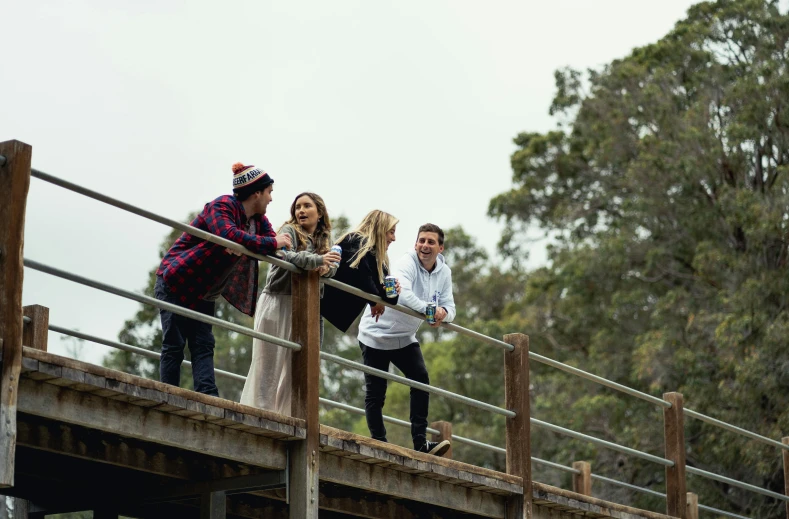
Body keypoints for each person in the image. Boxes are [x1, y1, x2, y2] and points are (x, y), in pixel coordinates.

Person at [155, 162, 292, 396]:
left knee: (204, 344)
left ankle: (208, 396)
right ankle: (167, 395)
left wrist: (277, 246)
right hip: (177, 282)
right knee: (174, 344)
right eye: (269, 192)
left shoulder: (257, 221)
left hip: (205, 290)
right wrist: (268, 243)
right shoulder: (221, 206)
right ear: (256, 192)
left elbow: (273, 247)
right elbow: (228, 235)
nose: (271, 199)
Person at [356, 223, 456, 456]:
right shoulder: (406, 262)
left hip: (404, 337)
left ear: (440, 248)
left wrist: (443, 314)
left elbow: (450, 307)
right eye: (421, 240)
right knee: (376, 392)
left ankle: (421, 443)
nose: (425, 246)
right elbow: (404, 293)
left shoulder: (444, 272)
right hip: (376, 335)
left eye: (431, 242)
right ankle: (380, 443)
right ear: (415, 244)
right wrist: (429, 310)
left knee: (421, 380)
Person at [240, 192, 340, 414]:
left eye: (307, 206)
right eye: (297, 207)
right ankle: (261, 413)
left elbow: (333, 265)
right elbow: (285, 255)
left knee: (298, 366)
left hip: (306, 306)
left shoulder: (325, 239)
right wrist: (317, 261)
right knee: (269, 363)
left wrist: (326, 267)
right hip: (277, 301)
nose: (301, 211)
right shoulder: (288, 231)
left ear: (320, 212)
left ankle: (287, 415)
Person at [321, 210, 400, 333]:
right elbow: (360, 275)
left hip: (329, 314)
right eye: (391, 232)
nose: (394, 238)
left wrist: (394, 291)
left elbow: (391, 300)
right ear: (380, 229)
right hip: (319, 304)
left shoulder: (375, 257)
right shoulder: (354, 240)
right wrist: (374, 302)